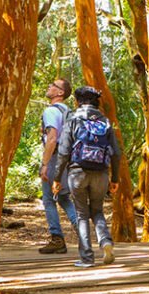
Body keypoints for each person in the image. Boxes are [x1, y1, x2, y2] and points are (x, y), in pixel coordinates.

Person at [53, 86, 119, 268]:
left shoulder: (73, 119)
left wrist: (57, 178)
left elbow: (63, 152)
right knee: (97, 211)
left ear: (77, 101)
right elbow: (116, 153)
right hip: (101, 174)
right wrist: (115, 179)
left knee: (82, 214)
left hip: (78, 173)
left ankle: (87, 258)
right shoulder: (105, 121)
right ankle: (106, 241)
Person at [38, 78, 77, 254]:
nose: (49, 86)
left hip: (54, 158)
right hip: (67, 159)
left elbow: (52, 138)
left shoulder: (51, 111)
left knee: (48, 199)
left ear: (60, 93)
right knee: (62, 198)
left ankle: (57, 239)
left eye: (53, 85)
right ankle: (82, 232)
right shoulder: (68, 111)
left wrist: (45, 164)